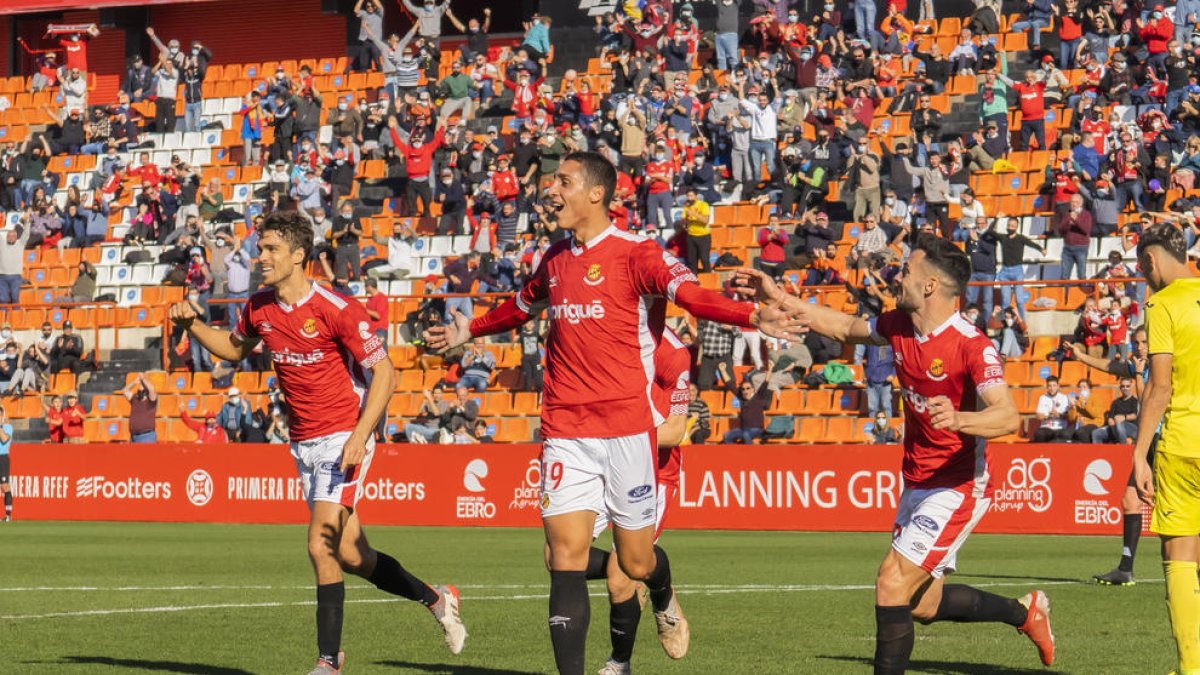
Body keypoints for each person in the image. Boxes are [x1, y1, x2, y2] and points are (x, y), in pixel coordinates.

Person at [425, 152, 798, 675]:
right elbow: (521, 304)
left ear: (597, 193)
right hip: (565, 430)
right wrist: (472, 330)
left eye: (563, 181)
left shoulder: (637, 254)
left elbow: (690, 295)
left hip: (627, 431)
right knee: (564, 558)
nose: (550, 190)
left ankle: (664, 594)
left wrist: (751, 314)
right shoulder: (555, 259)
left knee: (636, 564)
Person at [735, 236, 1055, 674]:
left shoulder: (971, 345)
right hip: (916, 480)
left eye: (906, 270)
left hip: (957, 484)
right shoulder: (901, 326)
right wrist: (785, 299)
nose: (897, 275)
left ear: (929, 286)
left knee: (891, 582)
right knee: (921, 603)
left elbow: (1007, 416)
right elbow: (845, 328)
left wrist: (961, 419)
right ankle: (1026, 612)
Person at [168, 211, 466, 673]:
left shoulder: (336, 308)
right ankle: (437, 599)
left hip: (342, 436)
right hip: (303, 441)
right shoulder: (260, 306)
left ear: (299, 256)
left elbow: (384, 372)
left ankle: (328, 661)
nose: (260, 256)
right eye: (260, 248)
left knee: (318, 545)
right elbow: (232, 348)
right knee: (350, 554)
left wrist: (360, 436)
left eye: (270, 249)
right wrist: (191, 325)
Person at [583, 328, 692, 675]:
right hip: (600, 462)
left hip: (653, 472)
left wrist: (620, 436)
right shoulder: (601, 332)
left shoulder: (673, 352)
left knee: (620, 575)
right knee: (557, 557)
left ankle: (619, 663)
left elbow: (675, 431)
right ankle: (652, 575)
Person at [1131, 224, 1200, 675]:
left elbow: (1159, 386)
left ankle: (1191, 667)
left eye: (1142, 269)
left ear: (1152, 261)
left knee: (1180, 555)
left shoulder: (1162, 304)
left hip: (1184, 442)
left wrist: (1139, 453)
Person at [1068, 326, 1152, 585]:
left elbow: (1146, 401)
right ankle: (1125, 568)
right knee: (1130, 500)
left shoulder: (1161, 368)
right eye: (1135, 342)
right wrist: (1081, 357)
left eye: (1144, 342)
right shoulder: (1137, 367)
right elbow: (1109, 366)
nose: (1138, 347)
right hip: (1149, 442)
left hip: (1168, 439)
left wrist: (1138, 374)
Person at [722, 376, 771, 444]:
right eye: (743, 389)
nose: (745, 391)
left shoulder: (758, 397)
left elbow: (765, 382)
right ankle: (734, 453)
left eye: (748, 388)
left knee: (745, 435)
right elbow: (730, 385)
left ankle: (750, 453)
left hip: (757, 429)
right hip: (743, 429)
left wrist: (770, 369)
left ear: (753, 389)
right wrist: (723, 370)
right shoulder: (741, 398)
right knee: (727, 435)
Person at [1092, 377, 1139, 443]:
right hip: (1115, 427)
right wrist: (1111, 420)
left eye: (1127, 386)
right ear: (1120, 388)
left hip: (1131, 428)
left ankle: (1123, 449)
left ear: (1131, 387)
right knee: (1096, 433)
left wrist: (1124, 417)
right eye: (1123, 386)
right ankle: (1099, 453)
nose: (1125, 388)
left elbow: (1134, 415)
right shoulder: (1115, 402)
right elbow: (1110, 417)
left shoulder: (1135, 401)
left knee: (1119, 424)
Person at [1032, 376, 1071, 442]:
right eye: (1049, 386)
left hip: (1060, 428)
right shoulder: (1043, 398)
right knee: (1039, 434)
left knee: (1065, 435)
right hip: (1046, 428)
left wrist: (1058, 415)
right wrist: (1047, 417)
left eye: (1054, 385)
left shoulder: (1064, 398)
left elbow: (1068, 416)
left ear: (1058, 386)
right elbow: (1038, 416)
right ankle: (1041, 452)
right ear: (1047, 387)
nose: (1052, 388)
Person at [123, 372, 158, 443]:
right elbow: (125, 390)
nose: (139, 392)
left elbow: (152, 389)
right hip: (133, 436)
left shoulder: (151, 400)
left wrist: (143, 379)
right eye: (139, 390)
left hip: (147, 436)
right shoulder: (135, 399)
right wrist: (135, 382)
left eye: (142, 390)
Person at [0, 407, 10, 521]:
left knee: (5, 486)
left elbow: (4, 439)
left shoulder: (8, 427)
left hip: (2, 458)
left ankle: (8, 515)